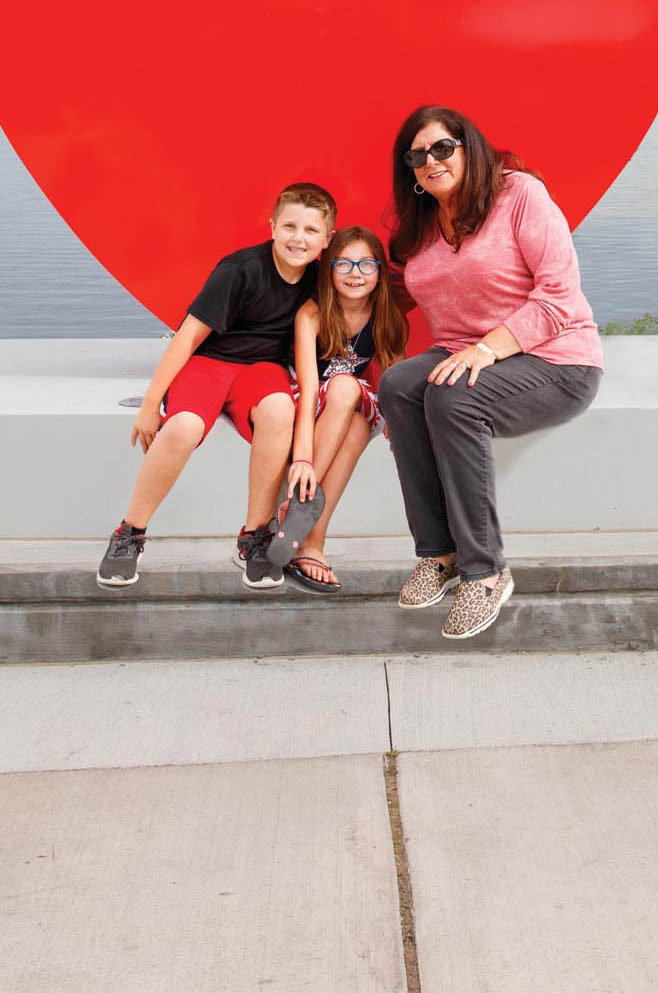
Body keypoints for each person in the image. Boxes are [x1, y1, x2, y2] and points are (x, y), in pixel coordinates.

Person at [378, 105, 602, 639]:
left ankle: (486, 571)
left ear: (468, 146)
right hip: (465, 353)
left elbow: (559, 297)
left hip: (556, 358)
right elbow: (396, 294)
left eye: (441, 148)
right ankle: (440, 554)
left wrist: (488, 349)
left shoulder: (519, 194)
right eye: (416, 156)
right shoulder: (426, 225)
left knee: (454, 399)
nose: (430, 161)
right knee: (399, 387)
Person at [95, 182, 335, 591]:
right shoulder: (239, 270)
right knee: (184, 426)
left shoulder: (320, 280)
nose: (299, 238)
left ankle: (254, 536)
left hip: (262, 370)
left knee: (280, 409)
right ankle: (129, 533)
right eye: (290, 226)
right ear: (272, 226)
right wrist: (152, 403)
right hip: (210, 364)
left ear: (327, 239)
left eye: (311, 230)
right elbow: (188, 337)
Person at [277, 225, 407, 593]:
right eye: (344, 264)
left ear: (380, 272)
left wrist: (400, 425)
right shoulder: (312, 314)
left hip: (346, 405)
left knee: (356, 425)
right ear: (328, 270)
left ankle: (312, 540)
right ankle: (303, 497)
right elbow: (305, 385)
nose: (355, 274)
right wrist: (302, 461)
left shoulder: (386, 314)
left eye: (366, 265)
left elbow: (396, 377)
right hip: (309, 398)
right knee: (346, 387)